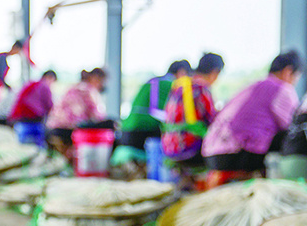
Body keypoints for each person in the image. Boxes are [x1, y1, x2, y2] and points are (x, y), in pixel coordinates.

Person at [202, 50, 302, 186]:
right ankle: (282, 185)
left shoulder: (254, 85)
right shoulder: (282, 89)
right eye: (296, 77)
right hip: (236, 155)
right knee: (296, 135)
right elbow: (292, 125)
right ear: (288, 71)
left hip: (211, 154)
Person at [160, 52, 223, 190]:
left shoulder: (180, 84)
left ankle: (189, 184)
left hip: (169, 148)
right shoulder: (201, 87)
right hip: (189, 148)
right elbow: (214, 120)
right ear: (215, 73)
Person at [119, 59, 191, 150]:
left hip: (126, 131)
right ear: (182, 72)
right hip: (142, 133)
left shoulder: (154, 81)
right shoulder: (172, 85)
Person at [45, 67, 110, 157]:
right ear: (96, 78)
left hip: (51, 130)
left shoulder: (73, 87)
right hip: (68, 132)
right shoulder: (89, 90)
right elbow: (98, 117)